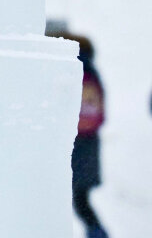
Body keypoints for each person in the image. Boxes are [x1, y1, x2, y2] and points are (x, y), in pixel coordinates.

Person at [68, 34, 109, 238]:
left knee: (74, 197)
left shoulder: (68, 71)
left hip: (71, 144)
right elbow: (101, 114)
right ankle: (97, 232)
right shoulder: (92, 73)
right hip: (90, 144)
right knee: (80, 198)